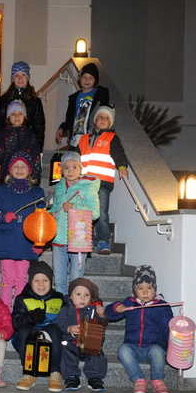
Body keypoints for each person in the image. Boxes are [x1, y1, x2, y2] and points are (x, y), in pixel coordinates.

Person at [0, 151, 46, 311]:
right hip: (6, 241)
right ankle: (5, 311)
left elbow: (42, 221)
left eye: (24, 166)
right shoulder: (0, 190)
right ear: (10, 170)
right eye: (16, 166)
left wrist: (40, 242)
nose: (19, 169)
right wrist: (3, 216)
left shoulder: (37, 193)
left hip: (26, 242)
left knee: (21, 280)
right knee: (7, 279)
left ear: (30, 171)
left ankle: (19, 312)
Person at [106, 265, 173, 393]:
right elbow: (110, 314)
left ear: (155, 289)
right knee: (122, 351)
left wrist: (173, 345)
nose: (145, 292)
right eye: (140, 288)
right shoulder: (130, 303)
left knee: (158, 352)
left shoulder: (161, 306)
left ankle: (158, 380)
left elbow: (167, 327)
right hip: (133, 346)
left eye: (149, 288)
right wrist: (116, 308)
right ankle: (139, 379)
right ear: (135, 290)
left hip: (153, 346)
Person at [76, 106, 129, 255]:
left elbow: (119, 153)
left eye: (106, 118)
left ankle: (102, 240)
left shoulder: (112, 137)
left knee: (101, 213)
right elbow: (75, 158)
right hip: (84, 183)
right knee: (84, 212)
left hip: (102, 184)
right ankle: (85, 239)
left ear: (110, 122)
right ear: (95, 120)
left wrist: (122, 166)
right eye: (100, 117)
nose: (103, 120)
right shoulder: (84, 139)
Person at [49, 151, 100, 296]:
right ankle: (62, 309)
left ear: (81, 168)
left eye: (74, 167)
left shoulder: (88, 187)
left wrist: (74, 208)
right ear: (61, 170)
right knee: (58, 279)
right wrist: (49, 214)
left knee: (76, 279)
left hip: (78, 239)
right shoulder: (59, 187)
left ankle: (74, 309)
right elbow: (55, 208)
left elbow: (95, 213)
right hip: (58, 239)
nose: (70, 171)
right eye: (66, 167)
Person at [11, 261, 64, 392]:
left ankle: (54, 372)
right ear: (30, 282)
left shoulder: (59, 298)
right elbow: (15, 323)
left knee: (54, 329)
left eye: (45, 280)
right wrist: (30, 317)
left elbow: (66, 320)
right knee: (24, 329)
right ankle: (29, 373)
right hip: (27, 338)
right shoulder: (22, 298)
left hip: (50, 342)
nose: (41, 284)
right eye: (37, 280)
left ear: (51, 281)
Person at [56, 278, 108, 392]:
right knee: (64, 348)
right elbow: (59, 322)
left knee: (97, 353)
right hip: (72, 342)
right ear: (71, 296)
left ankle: (94, 377)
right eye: (78, 294)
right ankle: (71, 376)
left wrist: (102, 316)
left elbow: (102, 325)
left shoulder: (93, 310)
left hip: (89, 343)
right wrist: (68, 328)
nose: (83, 298)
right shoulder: (66, 309)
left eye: (87, 295)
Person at [56, 62, 110, 149]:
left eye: (91, 78)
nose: (87, 80)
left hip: (92, 140)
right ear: (80, 78)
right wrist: (62, 128)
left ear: (95, 80)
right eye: (84, 77)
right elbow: (70, 119)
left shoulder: (100, 94)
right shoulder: (73, 98)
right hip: (75, 141)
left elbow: (104, 113)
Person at [0, 61, 46, 151]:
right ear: (13, 78)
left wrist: (38, 149)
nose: (20, 78)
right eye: (16, 75)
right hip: (8, 146)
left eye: (23, 75)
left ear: (28, 77)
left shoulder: (35, 101)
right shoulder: (4, 100)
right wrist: (1, 147)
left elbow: (39, 128)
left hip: (28, 146)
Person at [0, 99, 42, 184]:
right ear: (8, 117)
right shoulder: (4, 133)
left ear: (24, 116)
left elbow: (35, 155)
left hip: (26, 172)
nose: (17, 117)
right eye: (13, 114)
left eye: (20, 114)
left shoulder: (29, 134)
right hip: (7, 172)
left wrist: (36, 175)